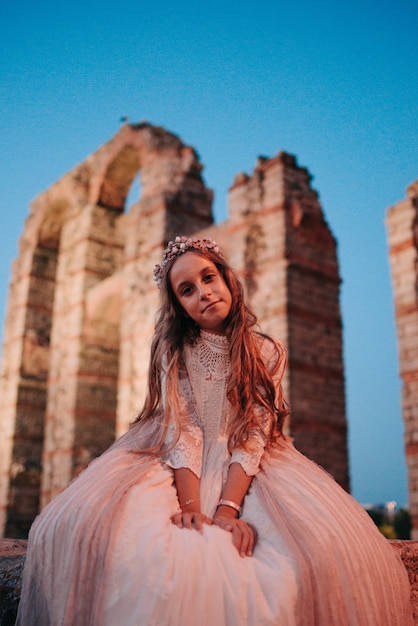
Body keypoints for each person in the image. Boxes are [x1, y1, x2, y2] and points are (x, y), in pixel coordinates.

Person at [16, 235, 413, 625]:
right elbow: (184, 430)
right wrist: (191, 508)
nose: (203, 293)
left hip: (250, 463)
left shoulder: (267, 350)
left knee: (324, 553)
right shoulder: (176, 352)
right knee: (105, 534)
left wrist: (227, 509)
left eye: (209, 278)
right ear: (180, 307)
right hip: (177, 458)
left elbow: (254, 433)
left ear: (227, 279)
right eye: (187, 290)